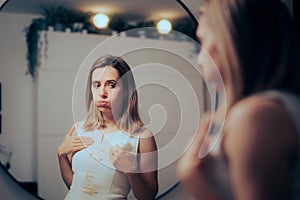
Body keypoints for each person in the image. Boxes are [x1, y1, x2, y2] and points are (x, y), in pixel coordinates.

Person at [177, 0, 300, 200]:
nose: (199, 57)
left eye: (203, 40)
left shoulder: (258, 116)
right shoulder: (263, 111)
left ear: (231, 39)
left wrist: (193, 180)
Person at [57, 54, 158, 200]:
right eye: (96, 85)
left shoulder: (142, 137)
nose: (102, 93)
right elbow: (75, 186)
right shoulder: (78, 129)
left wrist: (131, 170)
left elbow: (148, 196)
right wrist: (61, 156)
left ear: (126, 91)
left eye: (111, 85)